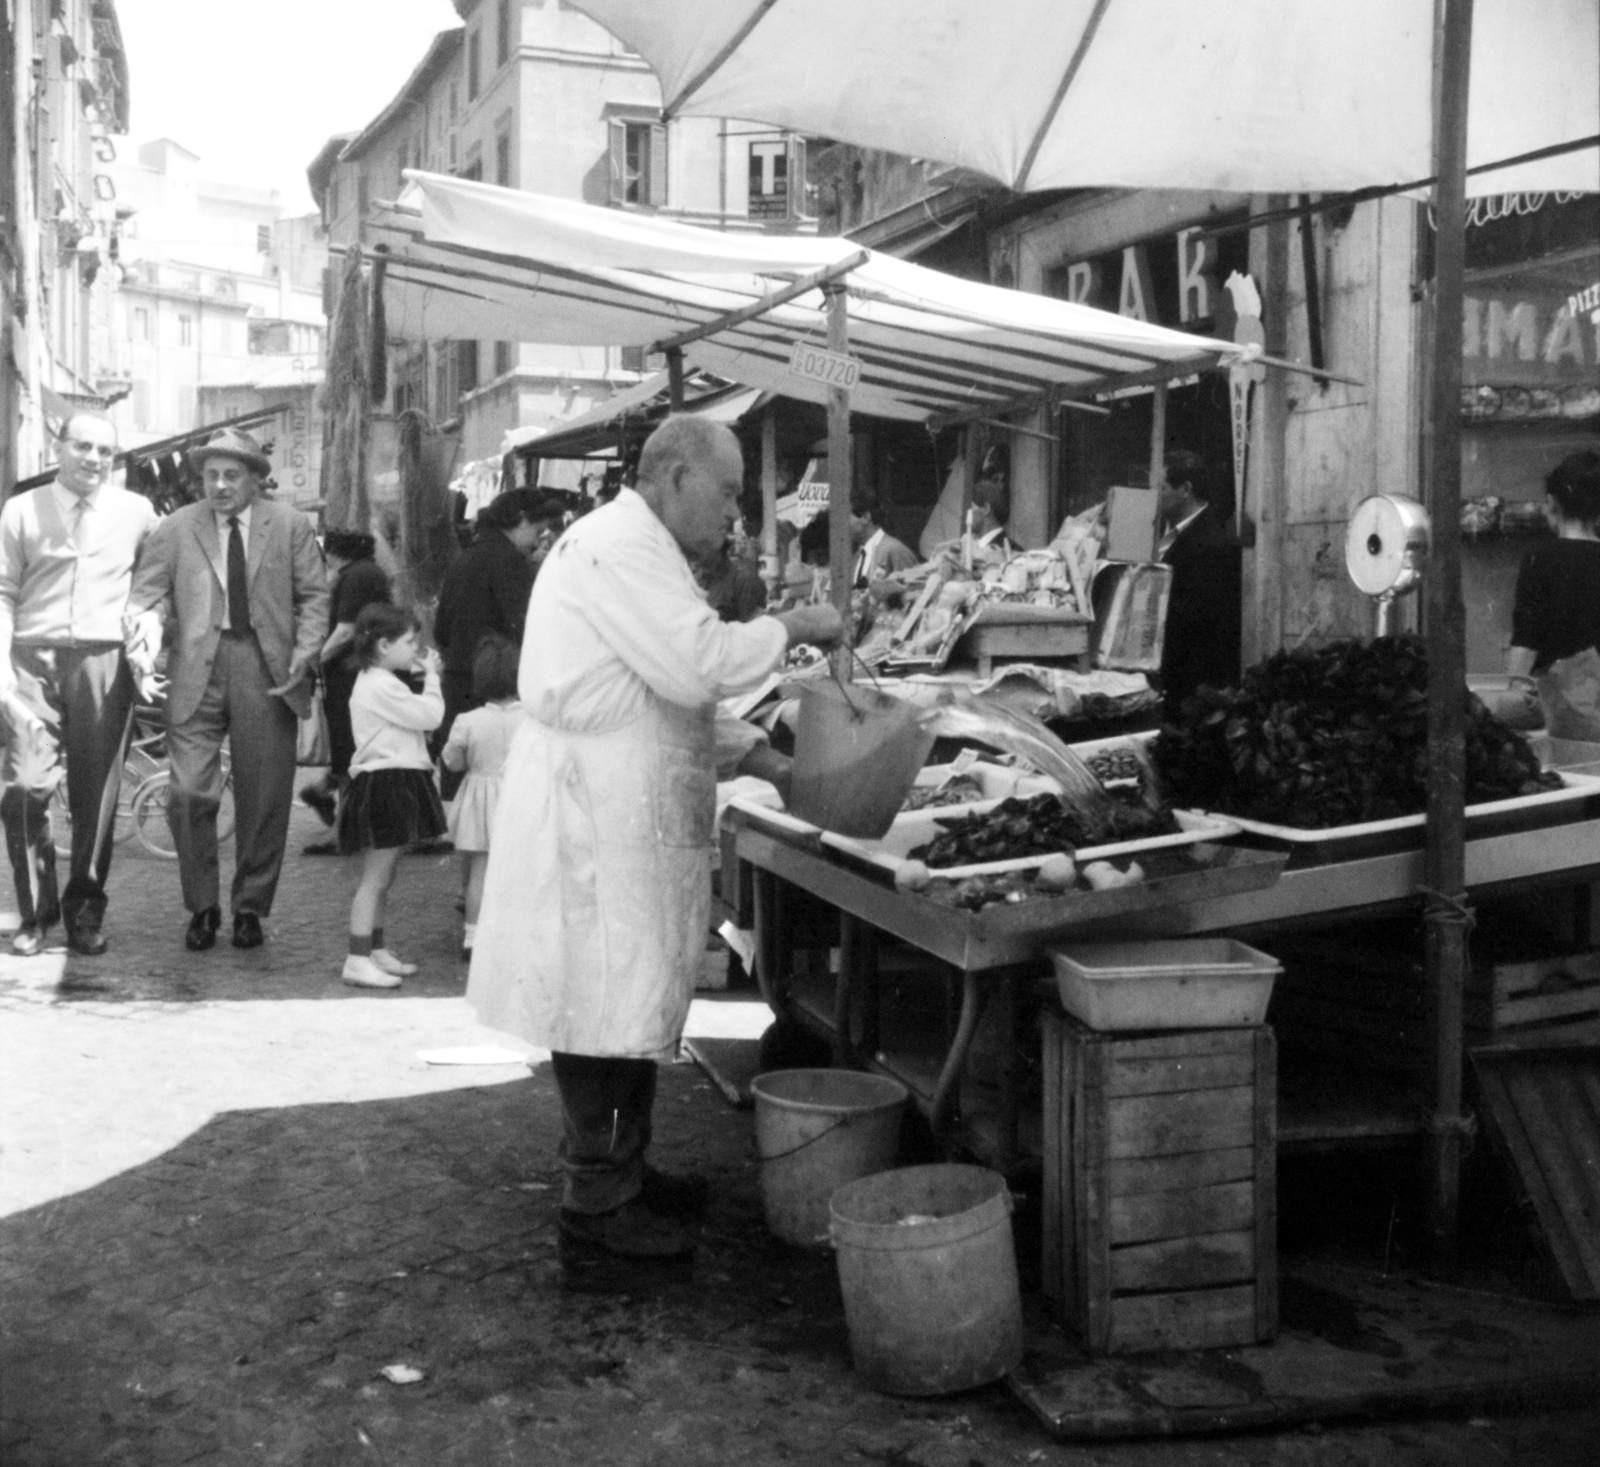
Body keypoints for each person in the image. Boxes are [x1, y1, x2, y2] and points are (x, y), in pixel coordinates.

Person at [467, 415, 841, 1259]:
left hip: (623, 801)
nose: (736, 515)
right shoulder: (621, 545)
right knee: (596, 1001)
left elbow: (663, 697)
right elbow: (699, 664)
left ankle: (625, 1170)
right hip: (593, 815)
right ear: (674, 477)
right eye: (728, 493)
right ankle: (594, 1198)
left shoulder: (646, 549)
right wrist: (799, 626)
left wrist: (759, 756)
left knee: (629, 1001)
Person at [127, 427, 328, 952]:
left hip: (267, 672)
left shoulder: (289, 526)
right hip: (195, 670)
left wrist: (306, 651)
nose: (219, 485)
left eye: (231, 475)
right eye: (211, 475)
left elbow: (313, 596)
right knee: (188, 793)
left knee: (264, 798)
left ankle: (249, 909)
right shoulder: (174, 529)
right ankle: (203, 906)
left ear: (255, 481)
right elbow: (146, 597)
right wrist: (144, 638)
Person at [0, 411, 158, 956]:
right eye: (83, 447)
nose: (94, 459)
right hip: (31, 661)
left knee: (98, 798)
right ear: (58, 447)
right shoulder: (22, 509)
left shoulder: (138, 512)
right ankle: (35, 913)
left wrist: (148, 627)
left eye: (105, 453)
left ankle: (84, 913)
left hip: (102, 663)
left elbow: (154, 583)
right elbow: (1, 590)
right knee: (23, 786)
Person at [337, 603, 446, 988]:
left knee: (384, 875)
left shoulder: (377, 680)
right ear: (384, 645)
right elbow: (430, 716)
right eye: (409, 642)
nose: (414, 649)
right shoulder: (381, 685)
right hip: (385, 783)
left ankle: (374, 948)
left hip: (391, 779)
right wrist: (433, 677)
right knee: (375, 877)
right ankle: (357, 957)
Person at [432, 488, 562, 781]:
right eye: (538, 532)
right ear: (521, 520)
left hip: (456, 682)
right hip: (495, 690)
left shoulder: (464, 558)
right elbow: (523, 626)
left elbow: (441, 627)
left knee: (460, 780)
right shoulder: (510, 562)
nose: (537, 543)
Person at [298, 530, 391, 844]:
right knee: (350, 748)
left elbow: (345, 630)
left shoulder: (354, 576)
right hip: (356, 671)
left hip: (349, 675)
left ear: (334, 552)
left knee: (349, 748)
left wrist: (312, 662)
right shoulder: (366, 572)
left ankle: (343, 827)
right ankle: (331, 803)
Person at [1507, 450, 1600, 739]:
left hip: (1558, 710)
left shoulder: (1540, 558)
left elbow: (1527, 639)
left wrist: (1512, 693)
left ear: (1550, 504)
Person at [439, 633, 520, 959]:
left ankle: (472, 936)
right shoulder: (531, 719)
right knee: (519, 868)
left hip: (478, 799)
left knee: (479, 870)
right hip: (517, 799)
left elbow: (453, 761)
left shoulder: (467, 721)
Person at [1156, 448, 1242, 710]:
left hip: (1194, 680)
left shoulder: (1210, 541)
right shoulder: (1168, 533)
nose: (1155, 496)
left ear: (1185, 489)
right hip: (1173, 676)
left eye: (1162, 488)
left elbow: (1199, 617)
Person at [849, 489, 918, 593]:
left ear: (865, 518)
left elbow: (914, 592)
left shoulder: (895, 550)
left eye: (847, 516)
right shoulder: (856, 557)